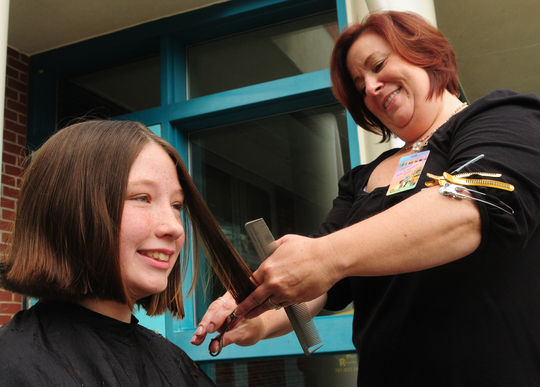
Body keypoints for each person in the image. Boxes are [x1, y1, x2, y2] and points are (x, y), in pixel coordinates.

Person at [191, 11, 540, 386]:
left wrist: (324, 257)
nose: (371, 87)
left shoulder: (501, 116)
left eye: (378, 65)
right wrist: (253, 314)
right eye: (360, 86)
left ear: (426, 52)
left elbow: (473, 208)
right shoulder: (361, 179)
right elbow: (320, 285)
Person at [0, 120, 226, 386]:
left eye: (177, 205)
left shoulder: (177, 366)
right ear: (72, 209)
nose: (174, 228)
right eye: (142, 198)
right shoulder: (13, 367)